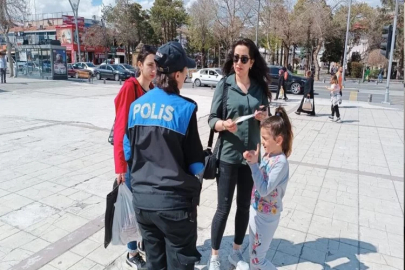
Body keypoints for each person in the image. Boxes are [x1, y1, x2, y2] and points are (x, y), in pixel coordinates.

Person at [124, 41, 204, 270]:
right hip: (175, 206)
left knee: (154, 264)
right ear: (177, 75)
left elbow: (128, 152)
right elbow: (196, 165)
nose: (187, 75)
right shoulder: (185, 108)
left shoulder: (136, 106)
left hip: (143, 204)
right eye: (186, 71)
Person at [207, 38, 271, 270]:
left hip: (251, 159)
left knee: (244, 206)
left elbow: (267, 117)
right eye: (235, 58)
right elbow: (211, 119)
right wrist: (223, 125)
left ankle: (235, 252)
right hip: (227, 157)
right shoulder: (224, 85)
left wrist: (264, 118)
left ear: (252, 62)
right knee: (223, 208)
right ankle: (214, 257)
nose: (238, 63)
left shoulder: (259, 87)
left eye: (244, 59)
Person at [114, 45, 157, 269]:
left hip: (145, 162)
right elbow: (121, 127)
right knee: (131, 209)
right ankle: (132, 254)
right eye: (150, 65)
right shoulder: (130, 87)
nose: (153, 70)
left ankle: (140, 243)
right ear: (139, 65)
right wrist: (120, 166)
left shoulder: (152, 90)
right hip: (130, 163)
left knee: (142, 206)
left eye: (156, 65)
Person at [243, 106, 293, 270]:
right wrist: (255, 160)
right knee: (253, 254)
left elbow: (264, 189)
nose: (262, 142)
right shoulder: (268, 154)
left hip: (267, 217)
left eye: (265, 138)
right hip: (256, 210)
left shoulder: (280, 162)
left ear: (278, 140)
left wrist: (253, 165)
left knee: (259, 259)